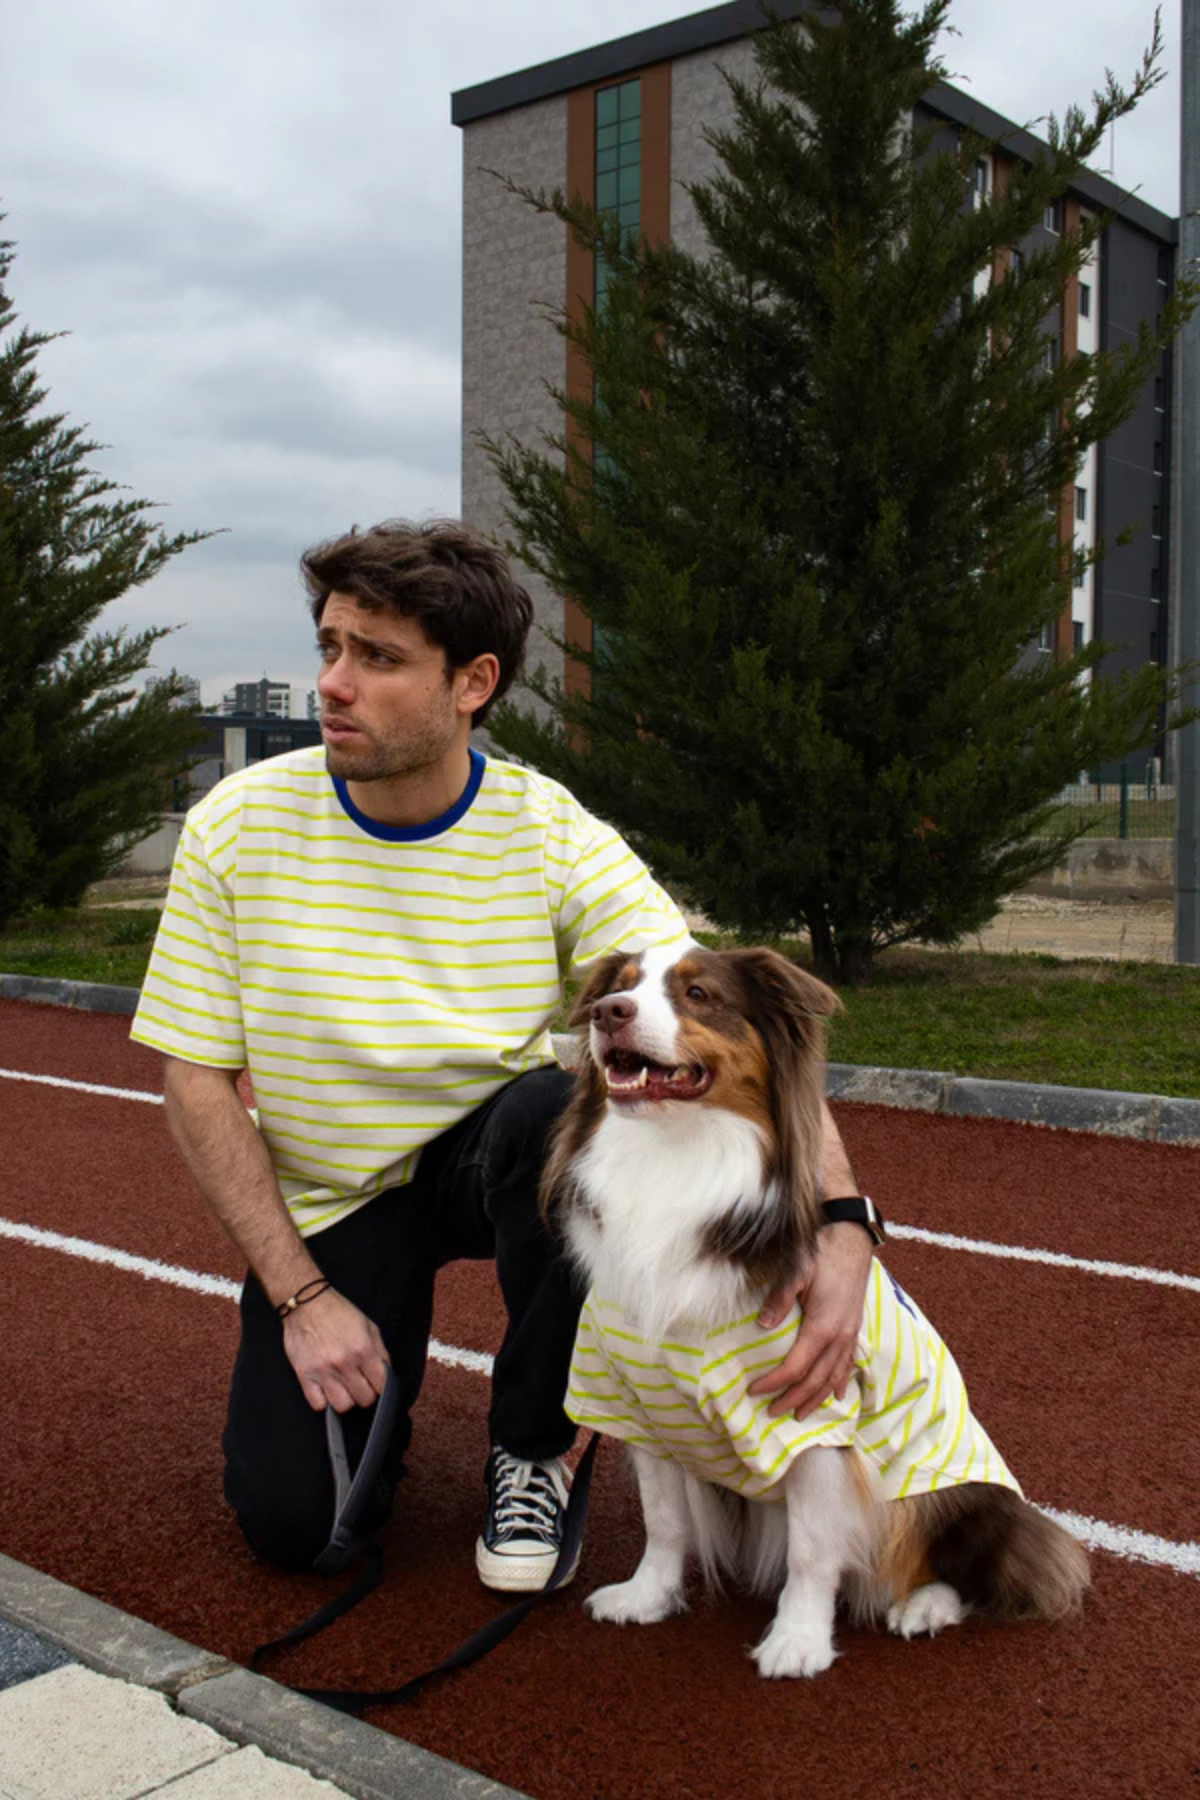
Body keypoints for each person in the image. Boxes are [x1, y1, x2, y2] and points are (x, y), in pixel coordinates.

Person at [131, 519, 874, 1594]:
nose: (335, 685)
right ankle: (364, 1361)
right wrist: (301, 1297)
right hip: (334, 1197)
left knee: (553, 1110)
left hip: (498, 1161)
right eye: (330, 648)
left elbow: (732, 1031)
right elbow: (194, 1078)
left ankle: (533, 1447)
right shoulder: (238, 827)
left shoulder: (550, 832)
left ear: (472, 683)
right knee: (300, 1532)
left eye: (378, 659)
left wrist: (841, 1229)